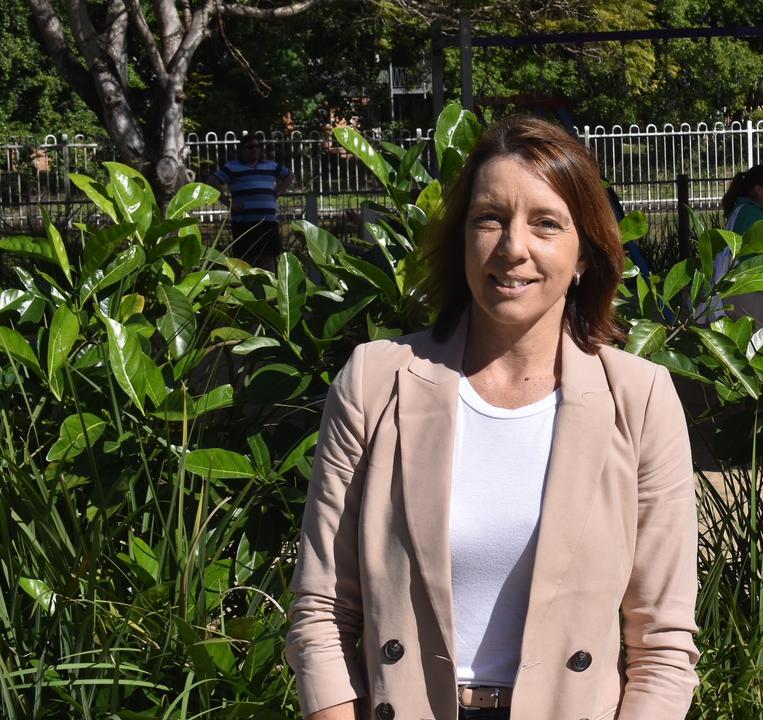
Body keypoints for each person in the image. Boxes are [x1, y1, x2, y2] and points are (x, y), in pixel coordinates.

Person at [285, 116, 699, 720]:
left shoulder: (638, 398)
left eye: (546, 224)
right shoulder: (377, 382)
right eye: (489, 219)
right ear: (462, 239)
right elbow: (321, 611)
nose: (513, 248)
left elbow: (663, 644)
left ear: (584, 254)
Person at [706, 165, 763, 324]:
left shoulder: (743, 210)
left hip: (739, 290)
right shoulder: (753, 214)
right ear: (758, 189)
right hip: (753, 293)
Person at [209, 137, 292, 266]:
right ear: (242, 150)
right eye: (250, 147)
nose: (254, 150)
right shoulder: (232, 167)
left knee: (268, 260)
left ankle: (270, 286)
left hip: (268, 222)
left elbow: (289, 175)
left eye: (257, 147)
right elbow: (213, 181)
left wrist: (280, 190)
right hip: (244, 223)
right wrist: (228, 203)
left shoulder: (270, 166)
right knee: (245, 261)